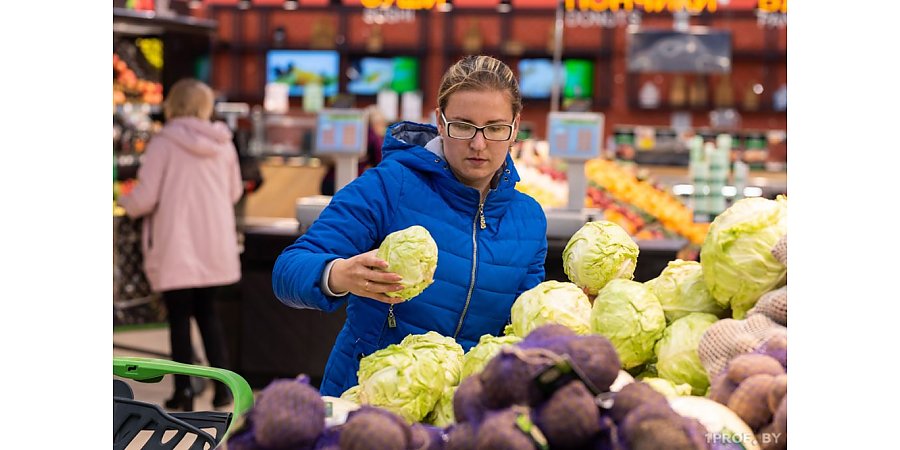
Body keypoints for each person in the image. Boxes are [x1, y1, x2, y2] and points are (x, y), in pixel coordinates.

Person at [272, 55, 548, 397]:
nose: (479, 144)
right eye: (463, 125)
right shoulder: (389, 187)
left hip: (466, 409)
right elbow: (288, 271)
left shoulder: (529, 219)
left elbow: (522, 327)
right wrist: (339, 273)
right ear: (440, 121)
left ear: (515, 128)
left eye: (494, 128)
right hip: (373, 398)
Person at [118, 78, 243, 411]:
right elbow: (234, 193)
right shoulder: (223, 143)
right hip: (213, 244)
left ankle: (183, 391)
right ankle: (223, 389)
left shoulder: (163, 143)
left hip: (176, 244)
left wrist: (123, 199)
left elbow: (145, 198)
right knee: (209, 315)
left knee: (179, 318)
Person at [319, 104, 387, 195]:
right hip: (353, 181)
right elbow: (380, 162)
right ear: (377, 123)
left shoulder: (350, 130)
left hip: (329, 181)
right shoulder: (373, 137)